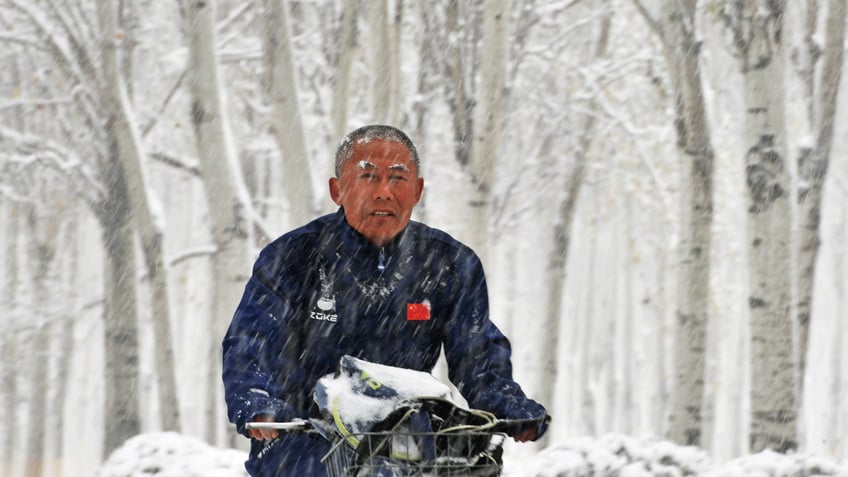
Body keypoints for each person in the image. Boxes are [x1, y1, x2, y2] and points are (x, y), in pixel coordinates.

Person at [222, 125, 549, 476]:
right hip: (302, 445)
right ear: (337, 190)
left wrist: (506, 403)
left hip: (407, 443)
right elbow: (249, 344)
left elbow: (477, 355)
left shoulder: (450, 263)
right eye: (367, 176)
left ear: (417, 190)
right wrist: (256, 403)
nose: (383, 192)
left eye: (397, 178)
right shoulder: (291, 257)